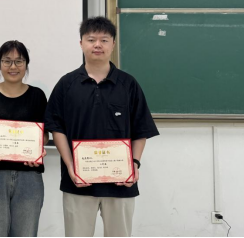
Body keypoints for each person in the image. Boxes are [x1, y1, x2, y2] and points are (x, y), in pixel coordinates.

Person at [45, 17, 160, 237]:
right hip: (78, 180)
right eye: (91, 40)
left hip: (121, 182)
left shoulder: (128, 84)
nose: (97, 45)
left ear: (113, 44)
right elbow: (56, 128)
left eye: (104, 40)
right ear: (81, 43)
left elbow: (140, 129)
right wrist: (70, 165)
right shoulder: (66, 84)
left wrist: (135, 164)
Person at [0, 40, 49, 237]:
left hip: (29, 176)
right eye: (7, 61)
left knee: (26, 233)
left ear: (26, 65)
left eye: (19, 61)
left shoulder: (38, 96)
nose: (13, 66)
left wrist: (40, 147)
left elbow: (44, 134)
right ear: (0, 64)